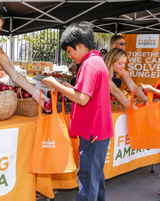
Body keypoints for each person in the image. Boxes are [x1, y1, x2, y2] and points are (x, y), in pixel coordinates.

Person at [42, 21, 113, 201]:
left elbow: (82, 98)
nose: (70, 56)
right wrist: (68, 87)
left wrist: (56, 85)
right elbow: (84, 94)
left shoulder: (89, 65)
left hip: (92, 132)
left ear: (79, 46)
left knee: (88, 180)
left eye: (69, 51)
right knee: (95, 178)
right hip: (98, 131)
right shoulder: (97, 61)